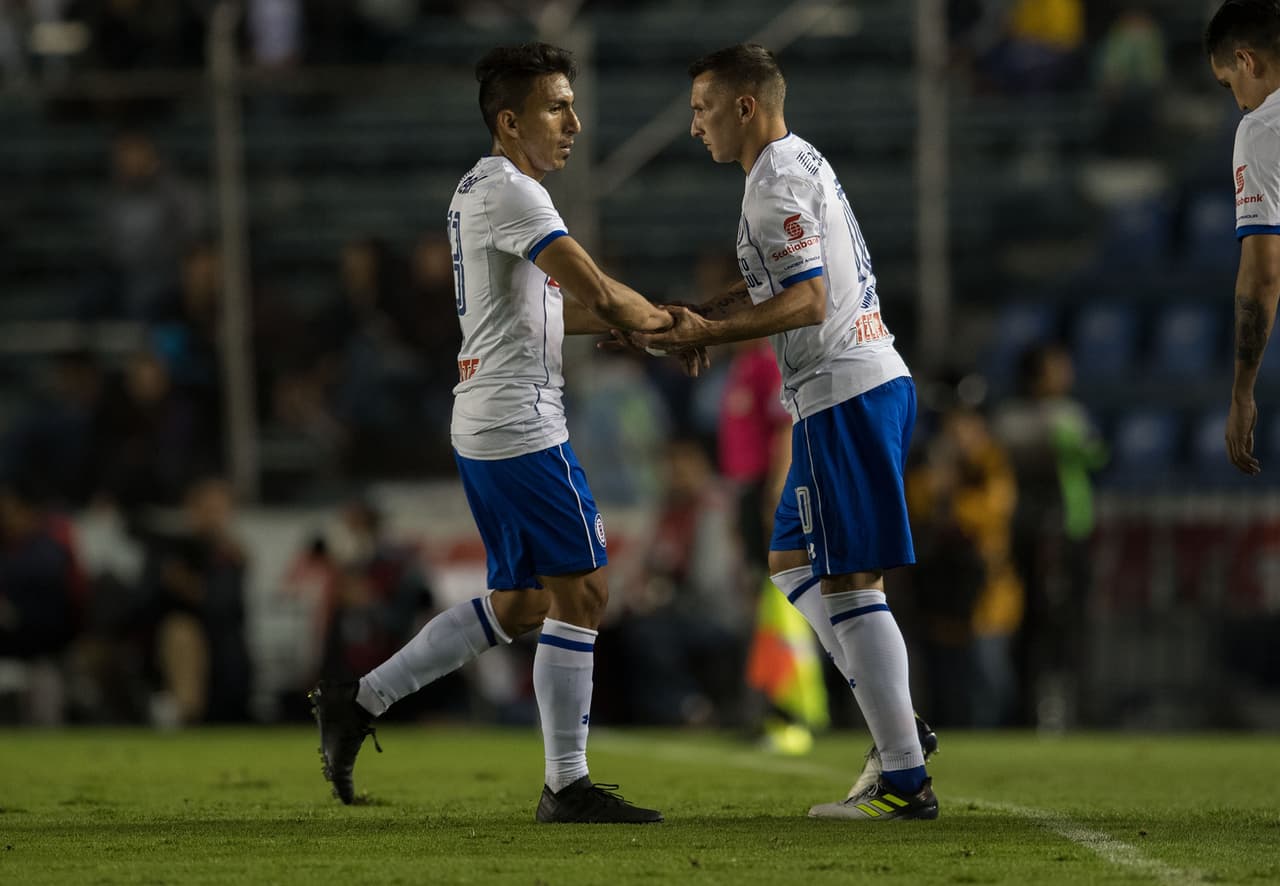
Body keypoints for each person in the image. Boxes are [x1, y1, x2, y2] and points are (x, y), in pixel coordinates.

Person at [308, 42, 701, 823]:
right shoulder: (516, 195)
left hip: (488, 420)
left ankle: (362, 698)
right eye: (558, 107)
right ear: (511, 120)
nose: (574, 124)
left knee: (524, 603)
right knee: (585, 591)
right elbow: (594, 287)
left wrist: (642, 325)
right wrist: (671, 322)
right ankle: (567, 785)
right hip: (522, 423)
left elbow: (558, 312)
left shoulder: (479, 190)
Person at [635, 43, 938, 820]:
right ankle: (896, 723)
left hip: (846, 389)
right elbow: (783, 280)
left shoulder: (773, 185)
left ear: (744, 105)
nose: (694, 125)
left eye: (702, 109)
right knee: (789, 560)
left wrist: (703, 331)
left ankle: (904, 777)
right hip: (840, 392)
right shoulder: (794, 165)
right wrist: (710, 315)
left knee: (848, 579)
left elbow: (807, 301)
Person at [1205, 0, 1280, 476]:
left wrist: (1242, 392)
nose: (1238, 101)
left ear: (1247, 61)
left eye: (1229, 83)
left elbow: (1264, 273)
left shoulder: (1262, 128)